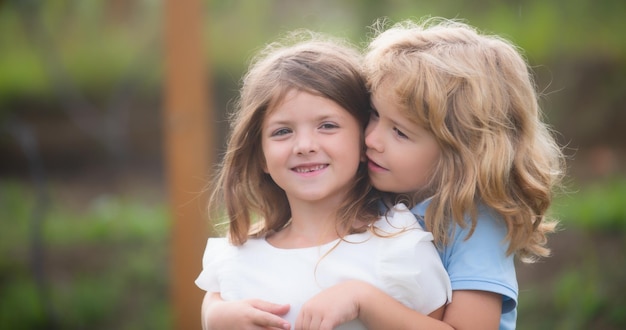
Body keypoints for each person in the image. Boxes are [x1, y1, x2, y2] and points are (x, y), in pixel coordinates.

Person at [293, 17, 566, 330]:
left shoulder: (474, 225)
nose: (371, 139)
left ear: (460, 152)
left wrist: (362, 301)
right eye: (375, 114)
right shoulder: (376, 190)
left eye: (400, 132)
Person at [195, 30, 452, 330]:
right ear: (260, 156)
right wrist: (212, 317)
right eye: (282, 131)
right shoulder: (237, 256)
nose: (304, 145)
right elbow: (214, 302)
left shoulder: (398, 249)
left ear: (363, 141)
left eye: (327, 126)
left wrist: (363, 302)